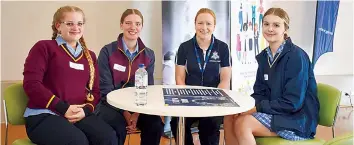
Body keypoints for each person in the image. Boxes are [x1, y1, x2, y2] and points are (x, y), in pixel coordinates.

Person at [22, 5, 118, 145]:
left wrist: (85, 110)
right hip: (44, 115)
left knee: (108, 137)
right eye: (69, 23)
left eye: (79, 23)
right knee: (77, 141)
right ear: (58, 26)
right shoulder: (44, 48)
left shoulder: (89, 56)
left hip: (77, 114)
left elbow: (96, 92)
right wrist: (63, 108)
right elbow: (32, 85)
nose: (76, 27)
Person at [223, 7, 320, 145]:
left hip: (296, 120)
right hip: (275, 112)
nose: (270, 29)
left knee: (244, 123)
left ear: (285, 29)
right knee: (230, 116)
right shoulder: (264, 57)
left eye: (276, 25)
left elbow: (293, 102)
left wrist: (257, 108)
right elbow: (260, 93)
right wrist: (243, 106)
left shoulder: (296, 57)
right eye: (266, 24)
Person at [96, 9, 164, 145]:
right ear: (121, 25)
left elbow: (148, 88)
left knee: (156, 125)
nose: (133, 27)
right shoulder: (107, 51)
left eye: (137, 24)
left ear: (142, 27)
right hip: (110, 105)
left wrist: (137, 113)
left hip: (138, 106)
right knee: (118, 127)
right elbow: (105, 89)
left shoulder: (149, 54)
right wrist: (125, 112)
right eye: (128, 23)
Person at [172, 8, 232, 145]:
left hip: (214, 100)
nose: (204, 27)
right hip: (189, 99)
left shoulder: (223, 48)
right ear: (195, 24)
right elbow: (179, 79)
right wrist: (187, 100)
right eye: (200, 23)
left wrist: (214, 101)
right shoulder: (184, 48)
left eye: (208, 24)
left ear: (214, 26)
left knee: (209, 126)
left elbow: (225, 79)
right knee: (176, 122)